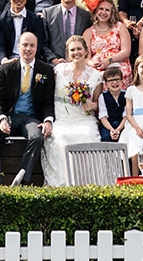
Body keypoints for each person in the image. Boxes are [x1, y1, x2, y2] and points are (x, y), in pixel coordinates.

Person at [0, 31, 55, 185]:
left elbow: (48, 102)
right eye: (25, 45)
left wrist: (48, 120)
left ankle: (23, 180)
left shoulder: (46, 70)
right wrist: (2, 119)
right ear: (18, 46)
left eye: (32, 45)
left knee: (37, 137)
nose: (28, 49)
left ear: (37, 47)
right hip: (9, 115)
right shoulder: (6, 69)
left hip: (31, 118)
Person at [41, 35, 103, 186]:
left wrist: (92, 105)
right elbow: (46, 95)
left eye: (79, 49)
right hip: (62, 119)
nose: (76, 52)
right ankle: (63, 183)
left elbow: (98, 103)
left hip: (83, 118)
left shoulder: (95, 76)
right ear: (68, 53)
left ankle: (84, 183)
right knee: (61, 137)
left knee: (87, 136)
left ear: (86, 51)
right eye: (72, 50)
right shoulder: (58, 71)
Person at [83, 0, 132, 89]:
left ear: (112, 12)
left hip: (118, 65)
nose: (103, 12)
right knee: (95, 77)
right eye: (101, 9)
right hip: (98, 67)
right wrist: (92, 63)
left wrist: (109, 61)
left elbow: (126, 51)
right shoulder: (88, 32)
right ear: (95, 10)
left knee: (116, 75)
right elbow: (86, 58)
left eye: (107, 10)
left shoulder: (120, 27)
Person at [97, 67, 126, 142]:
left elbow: (127, 115)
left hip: (123, 124)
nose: (114, 83)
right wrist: (112, 130)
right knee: (106, 137)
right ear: (106, 84)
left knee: (125, 136)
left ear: (122, 81)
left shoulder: (126, 95)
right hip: (108, 125)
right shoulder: (103, 96)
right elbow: (103, 116)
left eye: (117, 79)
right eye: (110, 81)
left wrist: (118, 129)